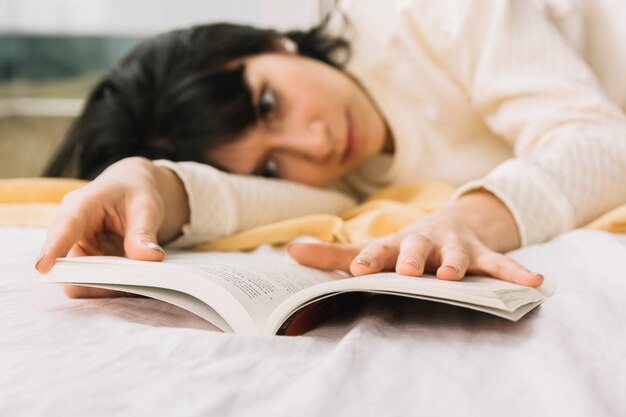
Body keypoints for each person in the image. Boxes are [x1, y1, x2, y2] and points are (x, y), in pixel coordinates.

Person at [36, 0, 626, 299]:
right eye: (271, 163)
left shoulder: (427, 13)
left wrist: (469, 220)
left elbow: (600, 142)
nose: (314, 145)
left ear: (270, 42)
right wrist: (152, 183)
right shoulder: (342, 178)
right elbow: (256, 200)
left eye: (269, 104)